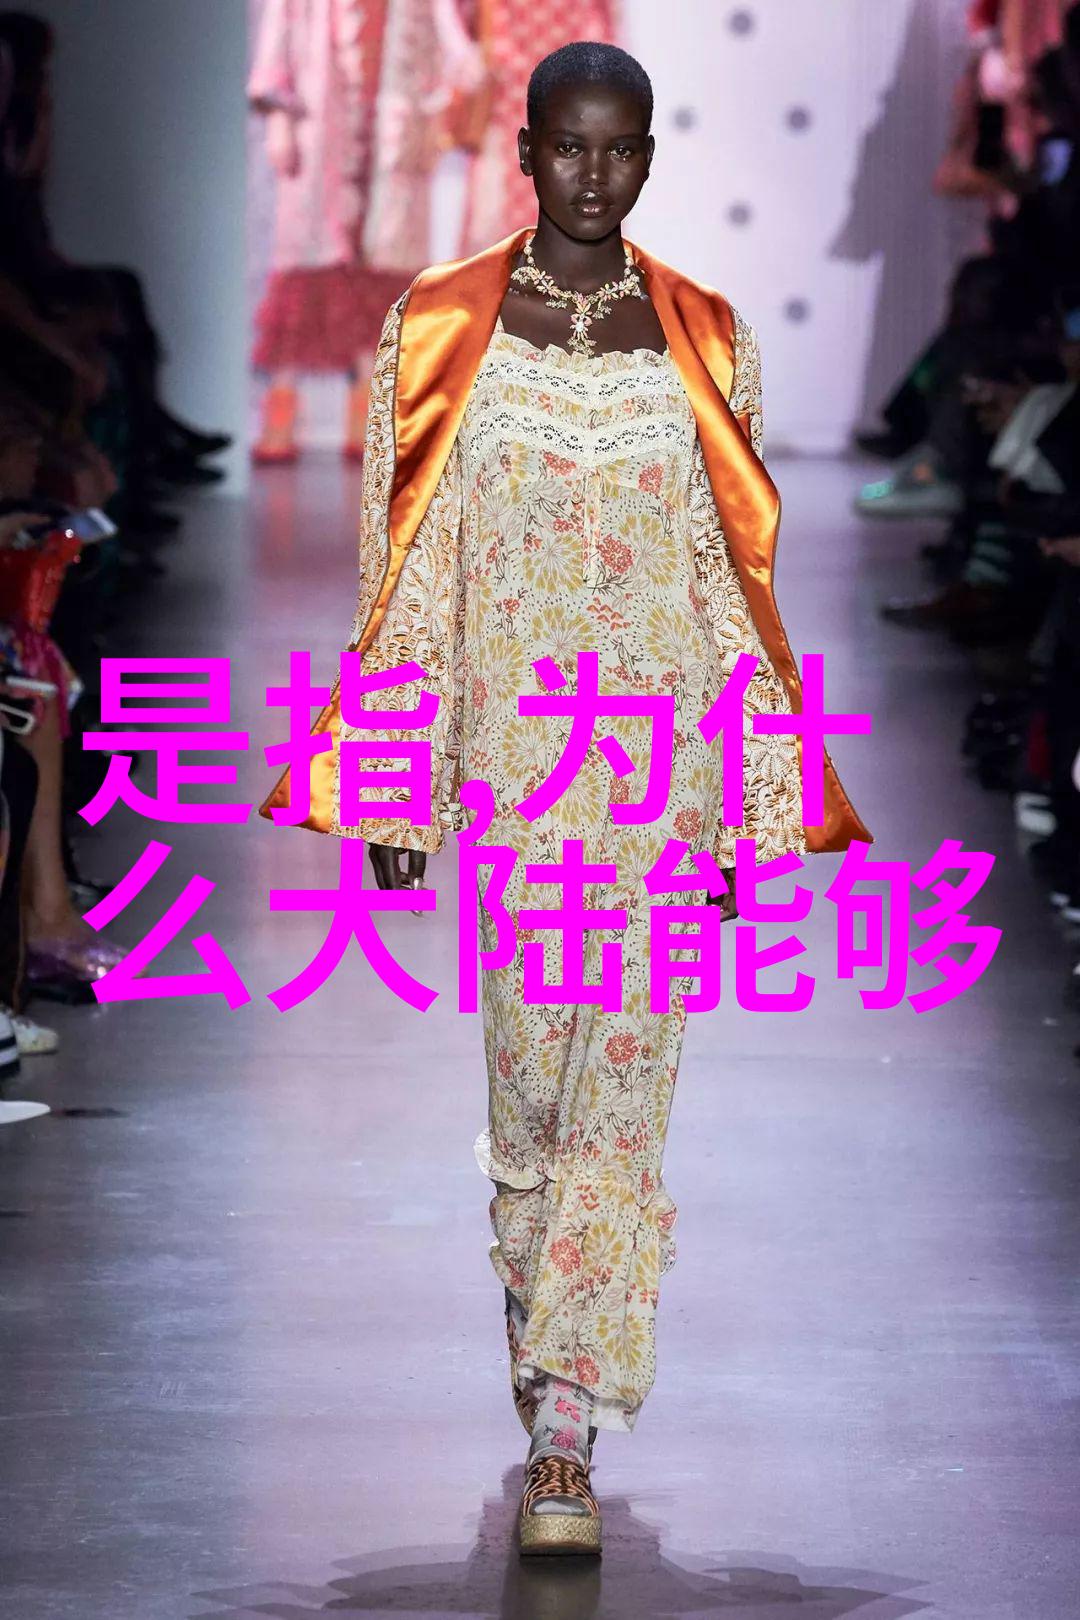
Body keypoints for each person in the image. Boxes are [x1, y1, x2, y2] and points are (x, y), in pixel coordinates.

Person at [260, 41, 870, 1557]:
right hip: (520, 782)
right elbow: (406, 563)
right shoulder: (442, 322)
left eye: (623, 148)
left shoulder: (707, 335)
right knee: (530, 1093)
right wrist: (392, 780)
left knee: (622, 1101)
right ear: (526, 150)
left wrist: (749, 798)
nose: (596, 174)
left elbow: (732, 583)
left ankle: (566, 1430)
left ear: (650, 156)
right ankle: (544, 1354)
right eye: (570, 147)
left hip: (662, 779)